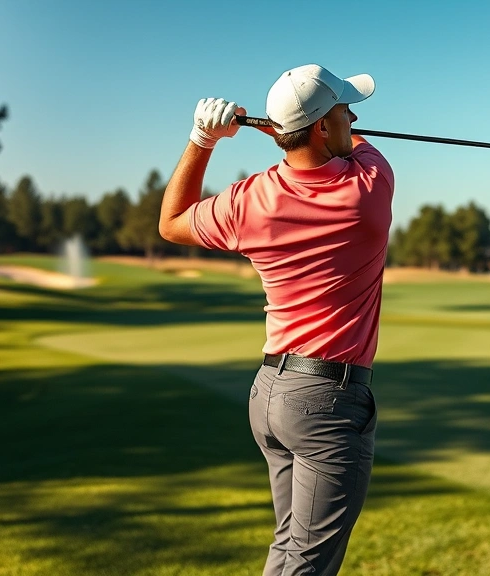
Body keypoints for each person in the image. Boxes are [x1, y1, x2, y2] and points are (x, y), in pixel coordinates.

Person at [158, 63, 395, 576]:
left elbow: (171, 223)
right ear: (322, 126)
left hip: (271, 394)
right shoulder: (369, 187)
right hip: (328, 403)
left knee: (290, 549)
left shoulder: (250, 200)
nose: (354, 118)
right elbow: (354, 146)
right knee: (307, 563)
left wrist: (202, 140)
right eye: (345, 109)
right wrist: (291, 133)